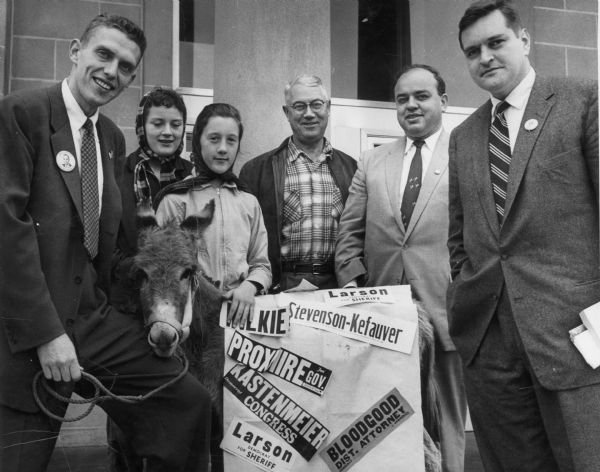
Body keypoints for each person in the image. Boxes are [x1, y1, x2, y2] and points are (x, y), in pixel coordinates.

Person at [0, 15, 212, 472]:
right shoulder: (22, 113)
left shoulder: (110, 139)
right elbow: (7, 231)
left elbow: (115, 247)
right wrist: (46, 334)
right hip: (31, 328)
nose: (113, 71)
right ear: (76, 51)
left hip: (91, 319)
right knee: (22, 462)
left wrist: (164, 306)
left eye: (126, 66)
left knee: (186, 401)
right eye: (104, 54)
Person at [448, 1, 600, 471]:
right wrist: (465, 291)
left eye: (497, 43)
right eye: (473, 51)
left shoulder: (582, 100)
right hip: (489, 343)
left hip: (572, 335)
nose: (485, 58)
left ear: (525, 40)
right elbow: (460, 237)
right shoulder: (465, 136)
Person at [336, 64, 467, 472]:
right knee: (385, 426)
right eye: (402, 98)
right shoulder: (373, 161)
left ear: (443, 102)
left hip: (447, 316)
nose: (411, 105)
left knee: (445, 425)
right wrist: (357, 288)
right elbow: (348, 233)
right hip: (384, 320)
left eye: (421, 96)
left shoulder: (465, 156)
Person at [155, 102, 272, 471]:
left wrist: (251, 286)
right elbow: (162, 271)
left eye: (231, 140)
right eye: (214, 139)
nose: (223, 148)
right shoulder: (174, 201)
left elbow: (262, 264)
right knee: (191, 422)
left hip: (236, 329)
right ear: (197, 142)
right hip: (191, 330)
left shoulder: (248, 202)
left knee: (236, 424)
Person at [108, 87, 194, 472]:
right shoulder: (118, 174)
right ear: (142, 126)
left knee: (175, 399)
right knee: (129, 406)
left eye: (175, 124)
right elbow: (104, 239)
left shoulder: (193, 176)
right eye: (157, 123)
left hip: (176, 309)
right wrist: (137, 272)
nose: (167, 131)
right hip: (129, 304)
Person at [239, 74, 356, 292]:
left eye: (316, 105)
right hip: (280, 287)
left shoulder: (353, 169)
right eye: (300, 106)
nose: (309, 113)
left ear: (328, 108)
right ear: (287, 112)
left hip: (337, 289)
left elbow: (359, 236)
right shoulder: (256, 171)